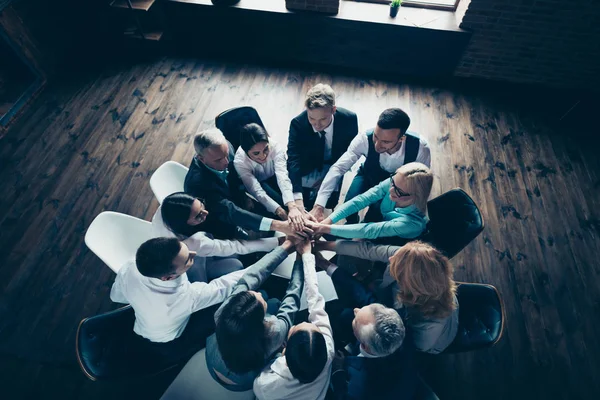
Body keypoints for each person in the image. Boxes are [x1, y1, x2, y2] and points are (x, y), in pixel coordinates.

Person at [109, 238, 250, 361]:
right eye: (187, 259)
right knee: (226, 309)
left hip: (145, 325)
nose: (193, 254)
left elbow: (116, 296)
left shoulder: (130, 266)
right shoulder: (184, 298)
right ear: (168, 278)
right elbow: (223, 286)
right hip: (169, 343)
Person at [315, 240, 459, 354]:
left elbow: (374, 305)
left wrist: (326, 265)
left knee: (348, 314)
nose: (391, 258)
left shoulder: (423, 327)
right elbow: (368, 250)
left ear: (407, 286)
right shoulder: (411, 258)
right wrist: (321, 245)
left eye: (397, 266)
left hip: (422, 342)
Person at [205, 237, 303, 391]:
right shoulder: (274, 332)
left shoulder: (225, 310)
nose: (257, 292)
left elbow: (251, 277)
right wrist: (300, 259)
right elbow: (292, 299)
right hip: (243, 382)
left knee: (266, 296)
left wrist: (286, 247)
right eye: (261, 303)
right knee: (276, 303)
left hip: (212, 361)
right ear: (262, 324)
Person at [184, 127, 308, 239]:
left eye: (226, 155)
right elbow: (230, 211)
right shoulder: (197, 185)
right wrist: (278, 225)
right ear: (201, 159)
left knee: (274, 214)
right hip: (220, 220)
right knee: (262, 236)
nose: (226, 162)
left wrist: (242, 193)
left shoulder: (224, 148)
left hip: (237, 199)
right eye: (218, 160)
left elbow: (235, 177)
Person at [311, 108, 431, 223]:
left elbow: (420, 181)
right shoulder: (364, 139)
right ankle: (352, 222)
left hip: (395, 185)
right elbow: (338, 168)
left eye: (386, 142)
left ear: (401, 139)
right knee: (349, 204)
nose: (377, 146)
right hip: (368, 174)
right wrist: (319, 205)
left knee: (376, 213)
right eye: (376, 137)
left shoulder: (420, 148)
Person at [253, 241, 335, 400]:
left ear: (285, 348)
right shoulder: (328, 348)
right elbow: (315, 300)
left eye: (294, 327)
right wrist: (306, 255)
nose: (303, 322)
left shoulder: (264, 386)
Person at [152, 192, 285, 281]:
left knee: (232, 256)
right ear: (184, 223)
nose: (206, 212)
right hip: (192, 268)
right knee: (235, 264)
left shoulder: (165, 209)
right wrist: (279, 241)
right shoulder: (193, 244)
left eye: (201, 204)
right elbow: (239, 246)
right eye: (198, 216)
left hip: (189, 251)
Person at [307, 163, 433, 244]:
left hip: (392, 242)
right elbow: (362, 200)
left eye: (398, 191)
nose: (390, 190)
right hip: (379, 223)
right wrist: (328, 221)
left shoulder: (413, 224)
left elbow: (369, 230)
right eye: (392, 183)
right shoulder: (397, 183)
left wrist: (324, 228)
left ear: (416, 196)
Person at [287, 83, 359, 215]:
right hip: (309, 166)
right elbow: (293, 159)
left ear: (333, 110)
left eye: (323, 119)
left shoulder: (349, 120)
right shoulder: (297, 124)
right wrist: (297, 198)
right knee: (306, 202)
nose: (317, 125)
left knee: (330, 202)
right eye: (312, 118)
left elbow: (349, 153)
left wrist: (328, 178)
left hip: (334, 163)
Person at [234, 123, 304, 230]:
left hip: (276, 176)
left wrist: (292, 206)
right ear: (245, 151)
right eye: (256, 153)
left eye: (266, 149)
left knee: (295, 206)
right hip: (259, 184)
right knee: (282, 207)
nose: (263, 156)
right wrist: (281, 212)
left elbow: (282, 175)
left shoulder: (275, 146)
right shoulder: (240, 161)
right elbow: (256, 190)